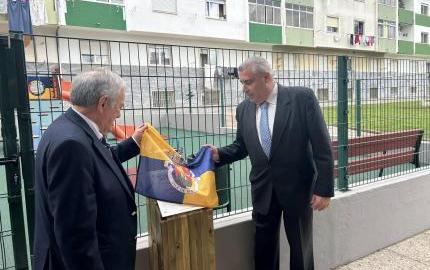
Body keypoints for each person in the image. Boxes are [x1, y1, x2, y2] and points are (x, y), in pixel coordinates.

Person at [208, 57, 334, 270]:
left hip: (298, 190)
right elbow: (241, 146)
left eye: (247, 82)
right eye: (242, 83)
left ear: (266, 78)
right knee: (263, 251)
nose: (244, 89)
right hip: (263, 190)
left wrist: (324, 189)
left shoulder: (301, 99)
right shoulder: (243, 110)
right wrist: (218, 154)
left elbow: (322, 146)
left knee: (301, 250)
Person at [34, 68, 147, 270]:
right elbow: (76, 237)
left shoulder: (70, 127)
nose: (119, 114)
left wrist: (133, 143)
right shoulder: (72, 145)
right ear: (103, 103)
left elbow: (98, 160)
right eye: (119, 107)